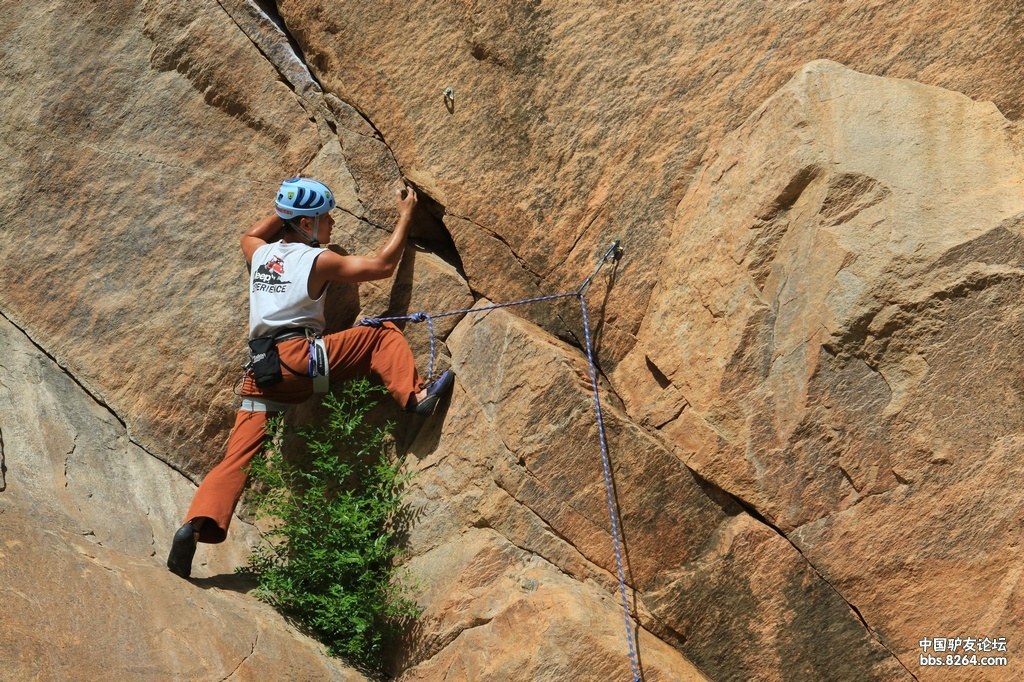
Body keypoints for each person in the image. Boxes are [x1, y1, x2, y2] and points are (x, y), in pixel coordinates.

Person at [167, 177, 454, 579]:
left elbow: (249, 234)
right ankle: (414, 396)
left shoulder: (261, 254)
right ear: (305, 225)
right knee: (379, 334)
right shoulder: (317, 261)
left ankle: (194, 526)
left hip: (262, 371)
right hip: (302, 362)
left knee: (238, 457)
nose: (332, 223)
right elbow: (383, 266)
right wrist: (406, 216)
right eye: (323, 217)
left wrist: (284, 211)